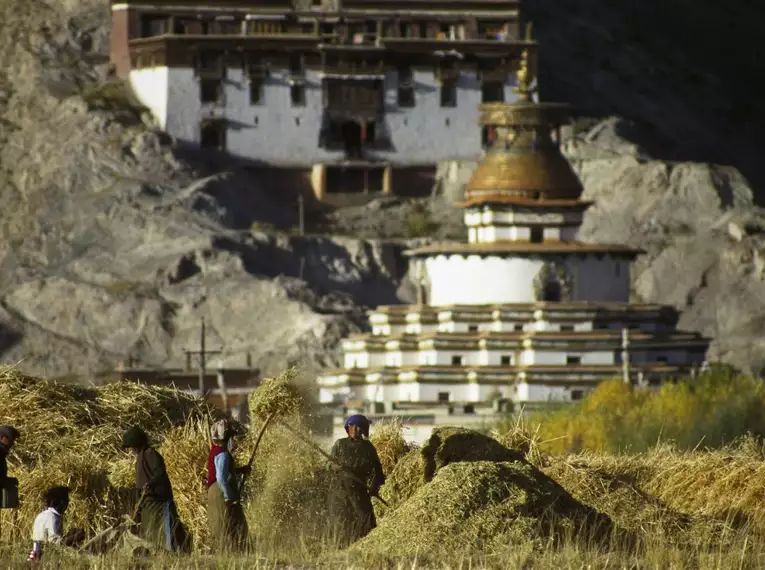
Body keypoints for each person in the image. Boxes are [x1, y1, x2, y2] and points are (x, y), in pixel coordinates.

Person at [121, 426, 183, 552]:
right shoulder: (140, 457)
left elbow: (160, 472)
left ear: (137, 444)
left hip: (158, 502)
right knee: (151, 534)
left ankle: (170, 554)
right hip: (147, 504)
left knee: (164, 533)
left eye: (131, 447)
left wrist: (151, 483)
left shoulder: (151, 454)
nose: (130, 450)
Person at [327, 414, 385, 547]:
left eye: (356, 427)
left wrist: (374, 487)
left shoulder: (368, 448)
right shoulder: (339, 444)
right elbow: (326, 465)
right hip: (339, 491)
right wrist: (333, 466)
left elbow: (378, 472)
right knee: (340, 523)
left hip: (360, 491)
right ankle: (339, 551)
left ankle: (366, 549)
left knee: (367, 522)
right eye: (350, 427)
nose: (352, 429)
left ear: (362, 430)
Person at [206, 419, 250, 552]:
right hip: (220, 491)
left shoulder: (215, 451)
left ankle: (228, 555)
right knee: (233, 526)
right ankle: (235, 555)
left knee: (221, 527)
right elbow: (221, 477)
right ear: (227, 438)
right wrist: (228, 496)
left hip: (214, 491)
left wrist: (240, 470)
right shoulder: (223, 454)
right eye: (231, 437)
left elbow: (223, 471)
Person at [27, 486, 71, 561]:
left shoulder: (42, 515)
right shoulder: (53, 517)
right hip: (46, 559)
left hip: (36, 556)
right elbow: (54, 543)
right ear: (61, 502)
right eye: (67, 501)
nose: (67, 504)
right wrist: (71, 537)